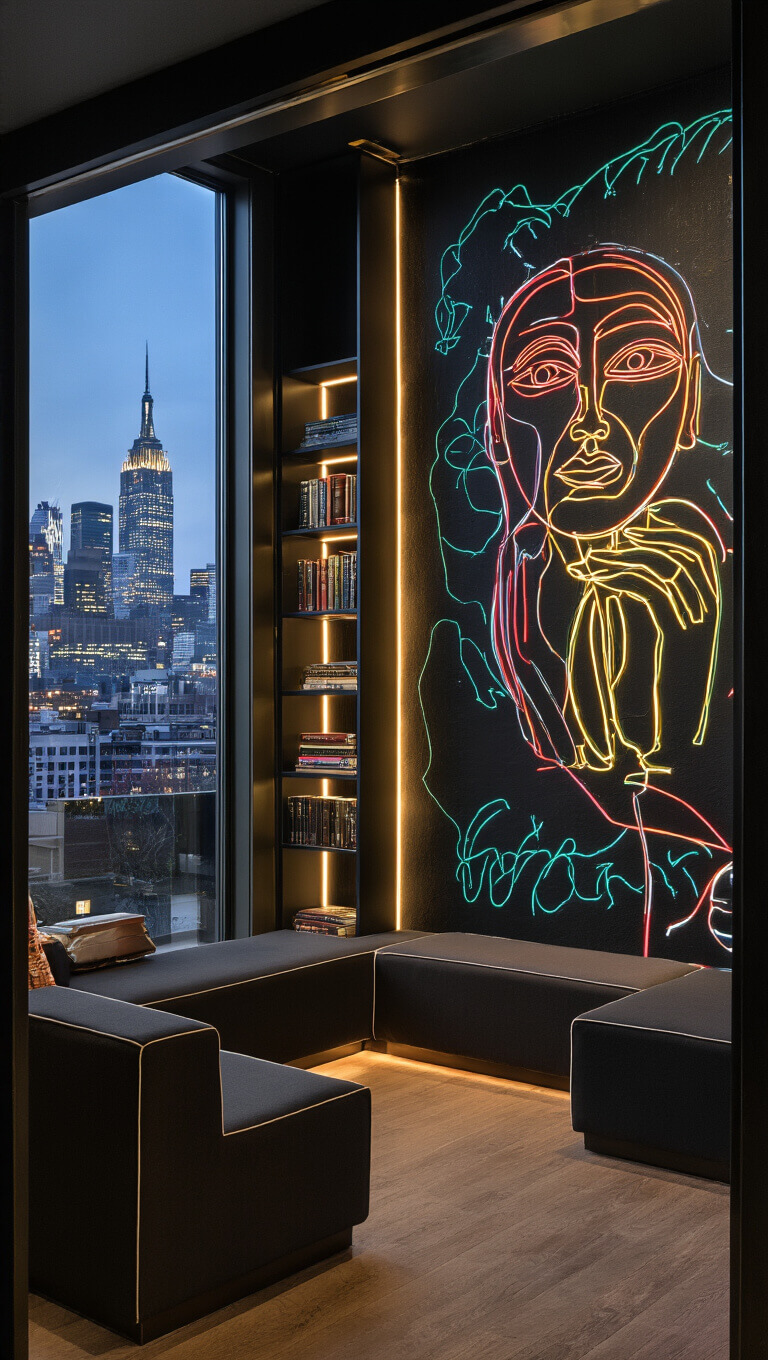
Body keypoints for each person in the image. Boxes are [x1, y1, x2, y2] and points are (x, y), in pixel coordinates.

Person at [486, 245, 731, 953]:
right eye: (546, 373)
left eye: (638, 360)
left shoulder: (704, 573)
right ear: (499, 425)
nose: (589, 419)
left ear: (690, 400)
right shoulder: (524, 589)